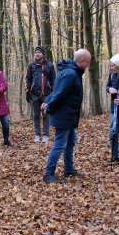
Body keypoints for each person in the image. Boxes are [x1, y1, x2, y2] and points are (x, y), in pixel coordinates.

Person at [41, 49, 91, 184]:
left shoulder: (71, 71)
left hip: (69, 115)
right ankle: (48, 174)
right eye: (87, 62)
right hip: (63, 115)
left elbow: (56, 91)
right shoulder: (70, 73)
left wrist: (47, 101)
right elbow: (60, 94)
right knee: (60, 144)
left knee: (70, 142)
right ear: (80, 61)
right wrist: (49, 106)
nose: (88, 65)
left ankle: (68, 170)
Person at [25, 47, 55, 143]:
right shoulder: (31, 65)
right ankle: (37, 135)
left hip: (47, 94)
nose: (37, 54)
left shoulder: (49, 65)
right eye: (36, 52)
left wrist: (53, 93)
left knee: (46, 114)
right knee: (36, 115)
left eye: (39, 52)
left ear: (43, 54)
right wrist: (27, 91)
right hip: (34, 94)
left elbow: (53, 80)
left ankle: (46, 135)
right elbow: (28, 78)